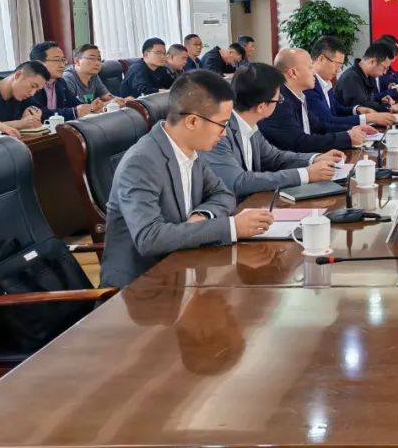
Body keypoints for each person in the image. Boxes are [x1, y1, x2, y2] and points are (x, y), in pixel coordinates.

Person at [99, 71, 276, 289]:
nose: (224, 134)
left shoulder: (191, 150)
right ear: (192, 121)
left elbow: (222, 193)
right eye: (222, 124)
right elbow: (149, 238)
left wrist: (203, 215)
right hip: (141, 288)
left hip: (184, 271)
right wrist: (231, 227)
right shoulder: (141, 162)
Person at [205, 62, 339, 200]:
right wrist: (305, 174)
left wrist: (314, 158)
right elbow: (238, 182)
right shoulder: (220, 133)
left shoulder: (250, 125)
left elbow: (273, 157)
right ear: (261, 106)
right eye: (278, 99)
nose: (280, 102)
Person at [260, 48, 368, 152]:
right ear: (293, 73)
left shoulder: (298, 95)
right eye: (310, 67)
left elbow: (319, 127)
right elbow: (299, 143)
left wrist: (353, 129)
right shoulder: (278, 102)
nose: (314, 73)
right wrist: (346, 137)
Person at [304, 37, 397, 130]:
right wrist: (367, 118)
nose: (339, 70)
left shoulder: (325, 82)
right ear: (321, 59)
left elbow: (335, 108)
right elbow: (326, 121)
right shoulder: (308, 85)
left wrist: (357, 110)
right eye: (337, 65)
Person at [28, 41, 98, 120]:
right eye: (56, 60)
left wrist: (91, 107)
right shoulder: (31, 84)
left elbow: (75, 103)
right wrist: (73, 112)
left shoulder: (60, 82)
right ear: (39, 63)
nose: (62, 65)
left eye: (63, 60)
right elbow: (38, 113)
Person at [335, 41, 398, 113]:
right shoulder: (351, 78)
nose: (384, 73)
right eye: (384, 68)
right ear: (372, 62)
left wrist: (380, 101)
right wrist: (390, 108)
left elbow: (368, 101)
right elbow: (362, 108)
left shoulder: (368, 76)